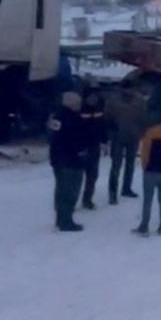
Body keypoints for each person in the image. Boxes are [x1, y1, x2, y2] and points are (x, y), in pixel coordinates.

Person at [47, 91, 91, 232]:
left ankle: (61, 219)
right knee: (70, 190)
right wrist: (81, 150)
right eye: (77, 103)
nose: (80, 105)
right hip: (71, 159)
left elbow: (53, 138)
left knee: (61, 190)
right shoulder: (72, 118)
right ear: (71, 105)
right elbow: (73, 138)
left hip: (58, 158)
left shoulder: (56, 117)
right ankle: (66, 220)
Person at [103, 82, 148, 204]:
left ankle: (126, 188)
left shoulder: (140, 101)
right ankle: (113, 193)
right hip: (117, 137)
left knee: (130, 164)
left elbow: (144, 118)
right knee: (116, 166)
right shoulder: (113, 101)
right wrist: (109, 134)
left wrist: (142, 133)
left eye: (131, 89)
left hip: (134, 137)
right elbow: (106, 118)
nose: (129, 92)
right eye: (126, 89)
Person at [79, 88, 106, 210]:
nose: (93, 99)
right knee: (77, 176)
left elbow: (102, 125)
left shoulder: (99, 109)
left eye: (95, 96)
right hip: (81, 147)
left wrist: (104, 138)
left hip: (94, 146)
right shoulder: (80, 110)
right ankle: (72, 199)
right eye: (91, 97)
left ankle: (87, 199)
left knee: (92, 175)